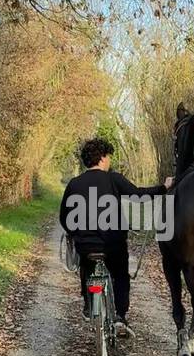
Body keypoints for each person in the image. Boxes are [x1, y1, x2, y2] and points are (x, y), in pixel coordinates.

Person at [59, 138, 172, 338]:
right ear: (102, 158)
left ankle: (88, 302)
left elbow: (64, 217)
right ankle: (120, 316)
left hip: (87, 245)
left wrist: (76, 233)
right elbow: (138, 195)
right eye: (108, 157)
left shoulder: (74, 184)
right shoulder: (113, 179)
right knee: (120, 275)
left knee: (87, 264)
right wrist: (163, 188)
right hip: (113, 244)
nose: (109, 161)